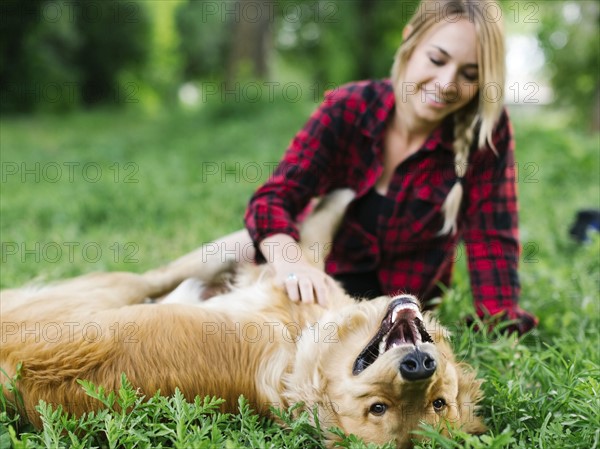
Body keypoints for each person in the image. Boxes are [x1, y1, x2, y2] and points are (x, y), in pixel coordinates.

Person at [206, 0, 537, 334]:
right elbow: (275, 198)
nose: (447, 83)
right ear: (410, 42)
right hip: (313, 289)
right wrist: (293, 266)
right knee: (220, 274)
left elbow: (492, 237)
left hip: (391, 316)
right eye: (436, 59)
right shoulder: (349, 107)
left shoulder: (486, 131)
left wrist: (499, 325)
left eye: (470, 74)